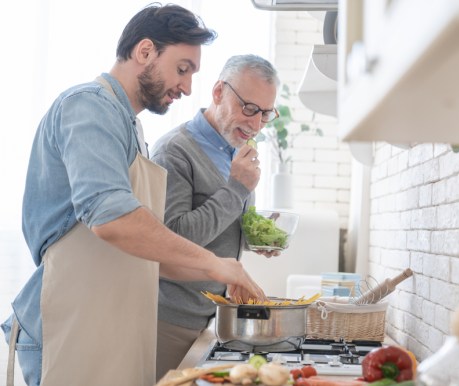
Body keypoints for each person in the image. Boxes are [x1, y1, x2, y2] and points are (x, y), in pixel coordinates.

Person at [1, 5, 265, 386]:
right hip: (71, 323)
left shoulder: (129, 125)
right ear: (145, 51)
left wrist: (228, 274)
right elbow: (114, 219)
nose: (188, 87)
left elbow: (156, 255)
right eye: (182, 68)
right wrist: (214, 263)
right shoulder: (88, 106)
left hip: (110, 324)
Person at [150, 54, 280, 379]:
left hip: (212, 318)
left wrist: (254, 238)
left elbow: (219, 223)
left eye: (265, 114)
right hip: (170, 321)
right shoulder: (175, 152)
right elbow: (173, 239)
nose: (255, 124)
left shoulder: (233, 149)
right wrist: (237, 188)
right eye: (249, 108)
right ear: (219, 92)